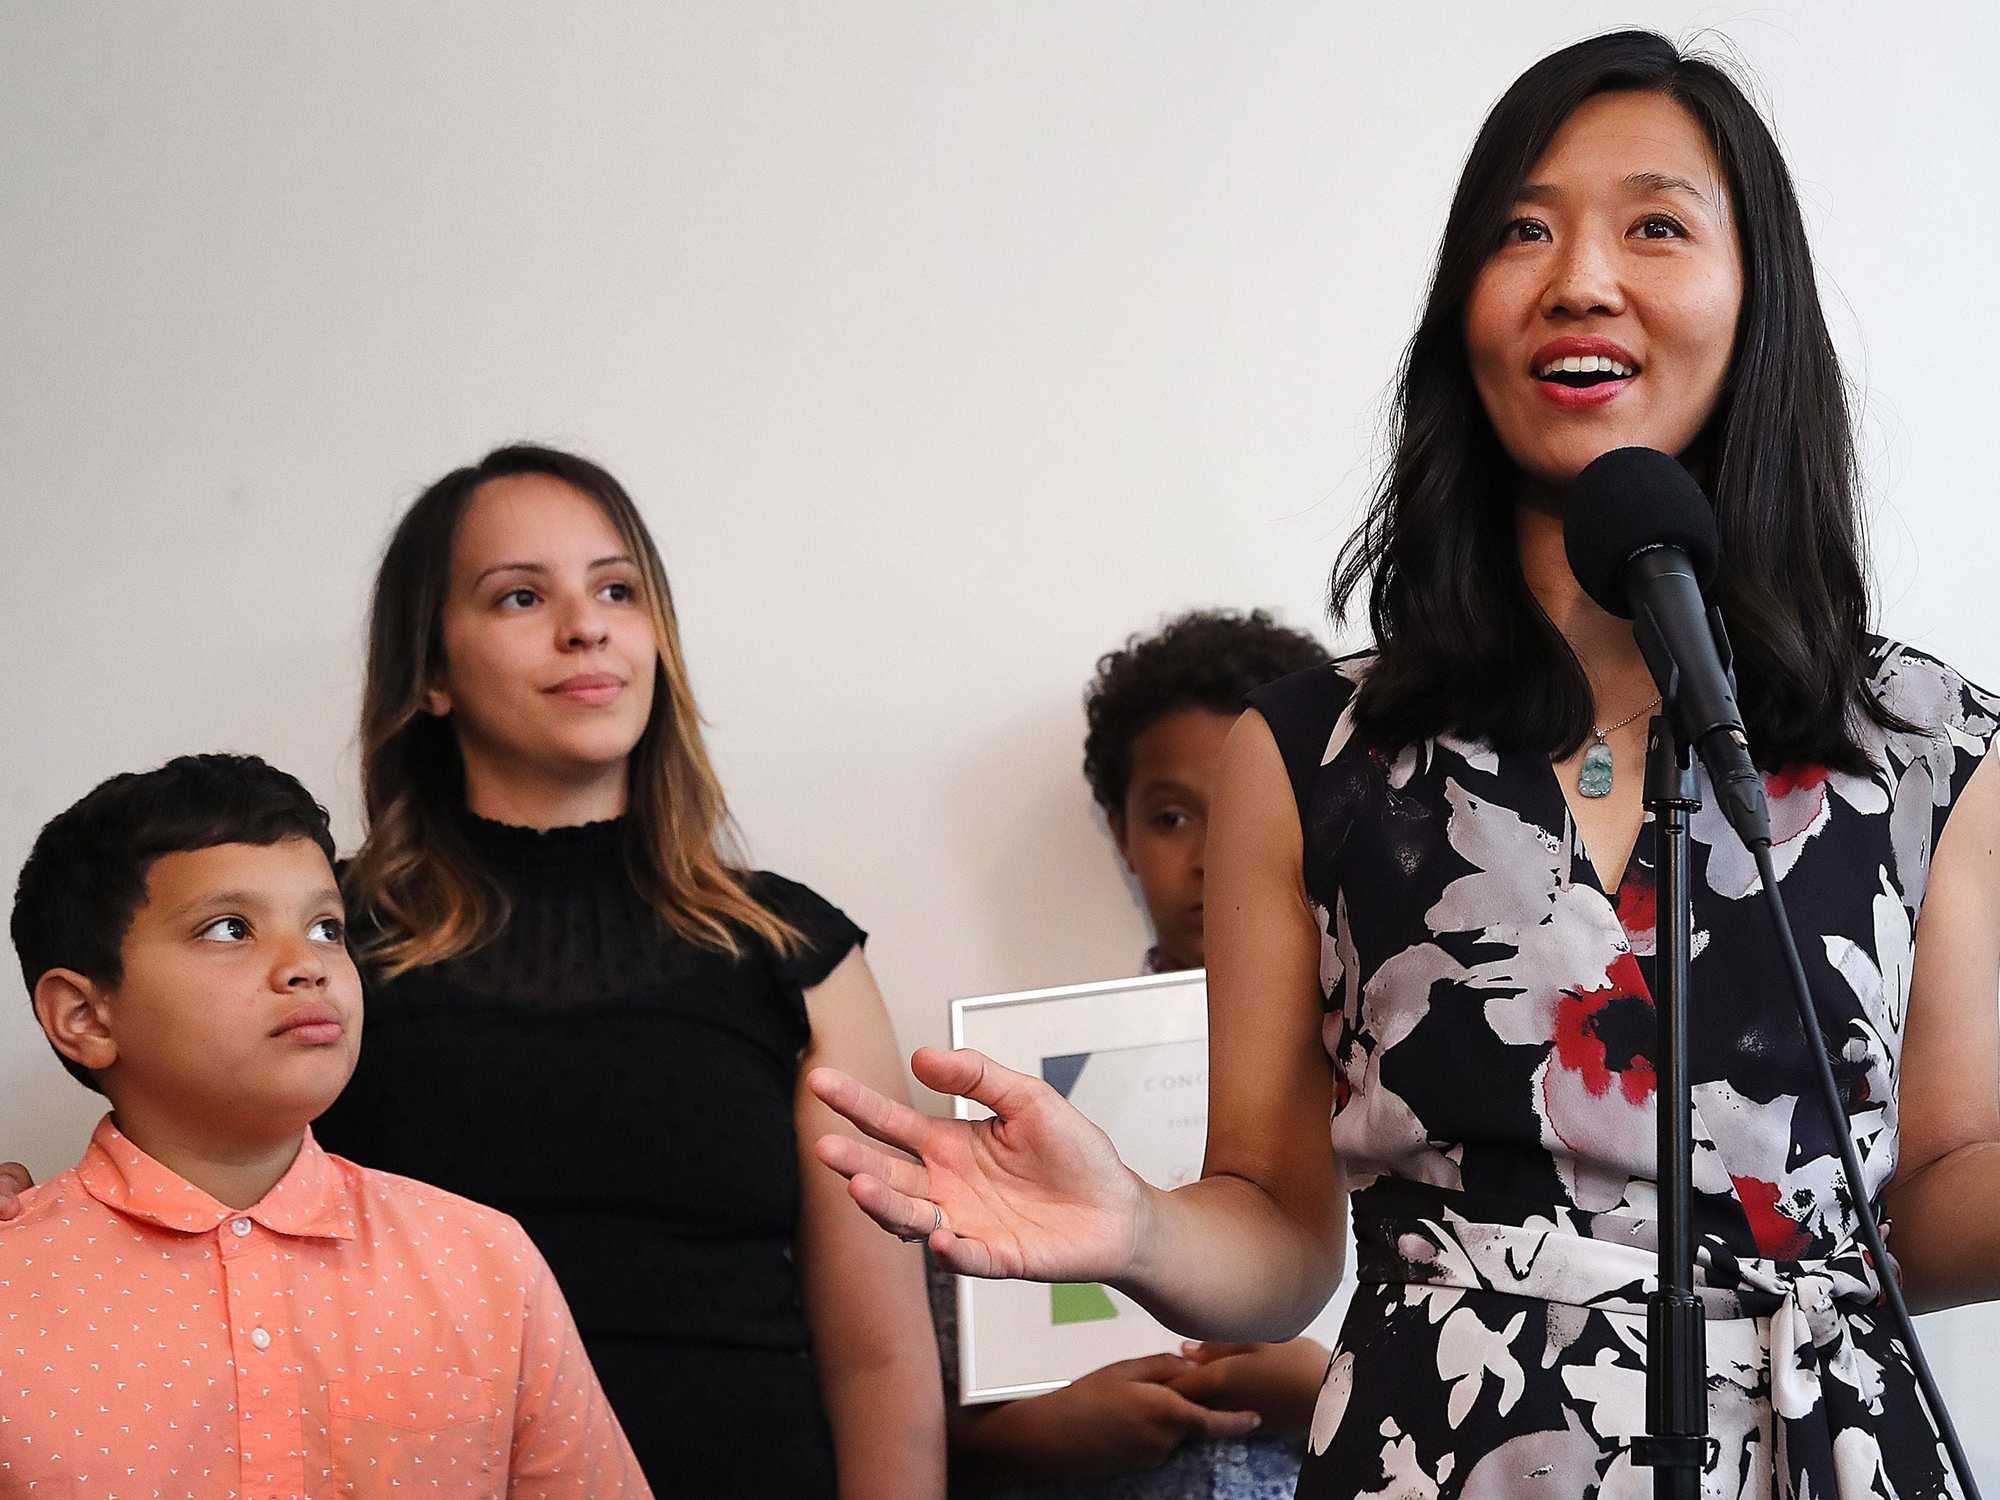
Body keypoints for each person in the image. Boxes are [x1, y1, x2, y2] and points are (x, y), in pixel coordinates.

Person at [807, 31, 2000, 1500]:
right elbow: (1278, 1231)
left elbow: (1930, 1209)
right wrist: (1132, 1226)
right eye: (1523, 229)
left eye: (1656, 224)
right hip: (1443, 1455)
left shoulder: (1933, 749)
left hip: (1818, 1456)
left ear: (1757, 300)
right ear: (1465, 318)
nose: (1579, 276)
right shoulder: (1310, 752)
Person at [0, 445, 943, 1493]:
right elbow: (203, 1201)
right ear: (431, 671)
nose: (584, 625)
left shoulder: (791, 952)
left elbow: (880, 1355)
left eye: (618, 589)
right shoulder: (320, 945)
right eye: (520, 595)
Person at [2, 753, 648, 1497]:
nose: (305, 965)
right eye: (229, 928)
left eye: (326, 928)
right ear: (85, 1016)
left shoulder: (486, 1265)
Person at [932, 608, 1334, 1498]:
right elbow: (930, 1395)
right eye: (1171, 817)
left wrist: (1327, 1389)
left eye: (1247, 814)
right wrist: (1028, 1434)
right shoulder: (1025, 1091)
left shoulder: (1401, 1081)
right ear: (1119, 832)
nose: (1209, 857)